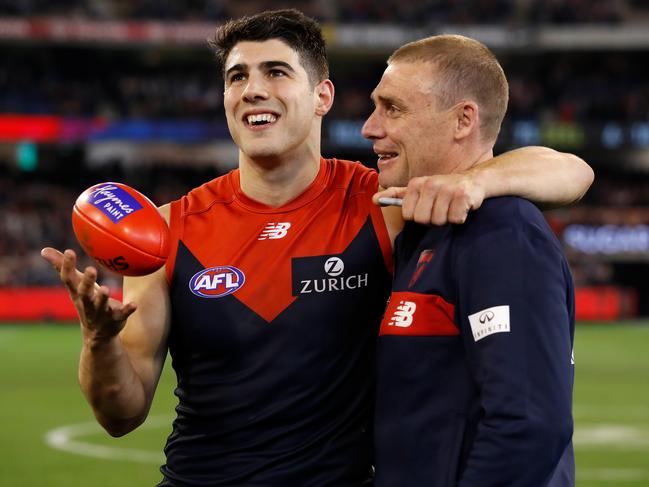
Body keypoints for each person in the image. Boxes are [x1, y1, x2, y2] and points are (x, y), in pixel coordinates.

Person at [41, 10, 591, 486]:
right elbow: (121, 413)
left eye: (275, 72)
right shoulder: (168, 231)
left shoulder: (382, 205)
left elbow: (570, 170)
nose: (252, 88)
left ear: (322, 95)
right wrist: (99, 342)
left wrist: (477, 182)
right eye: (237, 77)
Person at [365, 34, 578, 486]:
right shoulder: (422, 231)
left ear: (464, 120)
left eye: (393, 108)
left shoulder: (503, 231)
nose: (369, 126)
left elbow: (529, 424)